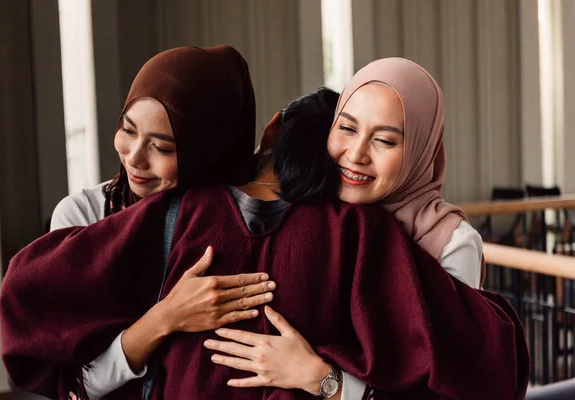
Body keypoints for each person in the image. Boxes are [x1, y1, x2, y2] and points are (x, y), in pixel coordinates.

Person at [1, 83, 529, 399]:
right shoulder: (358, 232)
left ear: (274, 130)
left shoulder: (178, 211)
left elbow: (30, 290)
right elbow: (481, 353)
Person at [3, 45, 280, 399]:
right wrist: (166, 318)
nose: (134, 158)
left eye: (162, 148)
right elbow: (77, 386)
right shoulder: (84, 217)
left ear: (207, 149)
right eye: (128, 130)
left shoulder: (241, 223)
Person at [202, 58, 490, 397]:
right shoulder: (318, 209)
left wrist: (324, 379)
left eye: (384, 140)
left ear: (420, 150)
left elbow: (448, 383)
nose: (356, 154)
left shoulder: (449, 242)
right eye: (347, 128)